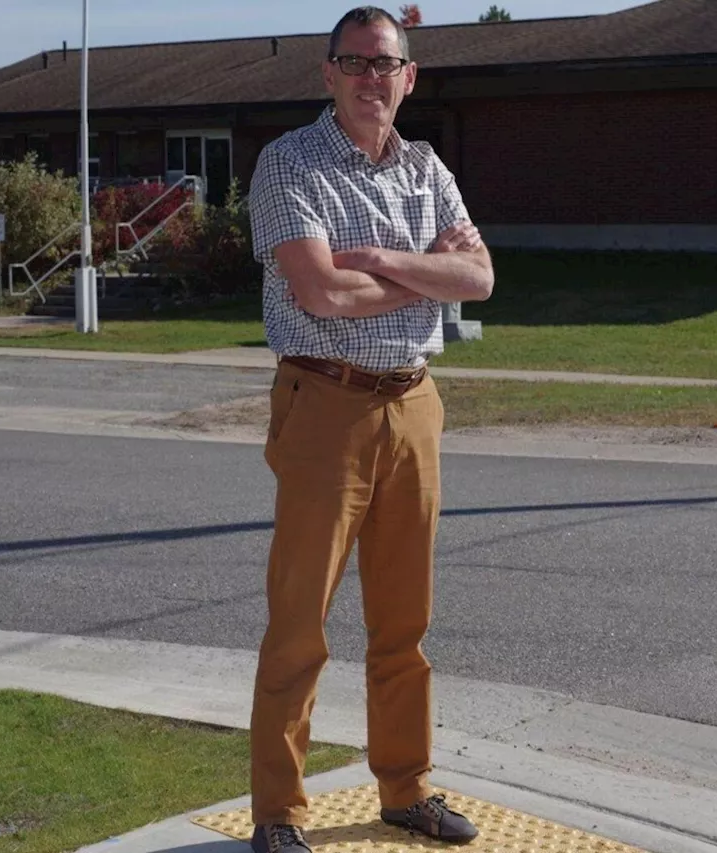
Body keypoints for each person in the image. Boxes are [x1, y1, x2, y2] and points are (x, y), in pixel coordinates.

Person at [245, 6, 494, 853]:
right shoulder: (291, 164)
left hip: (415, 404)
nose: (369, 78)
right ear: (328, 73)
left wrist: (381, 261)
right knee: (299, 623)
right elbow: (320, 293)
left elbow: (481, 277)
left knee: (404, 622)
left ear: (408, 77)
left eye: (384, 64)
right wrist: (430, 275)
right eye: (353, 63)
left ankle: (405, 788)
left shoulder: (426, 168)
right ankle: (279, 814)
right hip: (325, 404)